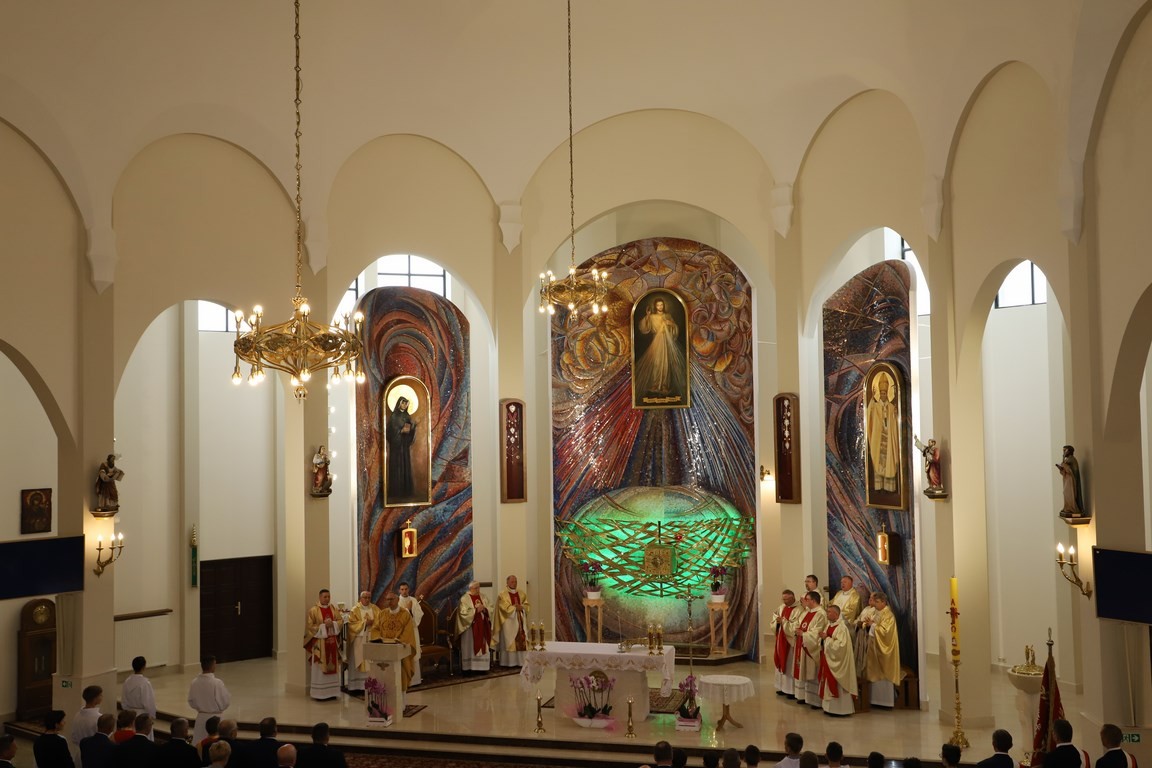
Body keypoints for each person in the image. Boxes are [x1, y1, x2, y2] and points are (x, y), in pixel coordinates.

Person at [634, 295, 687, 403]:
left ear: (664, 305)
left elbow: (675, 329)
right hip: (656, 341)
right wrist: (647, 316)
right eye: (658, 305)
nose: (660, 307)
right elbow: (644, 328)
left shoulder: (668, 316)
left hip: (666, 342)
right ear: (655, 306)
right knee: (657, 363)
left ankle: (664, 385)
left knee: (666, 363)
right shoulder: (652, 316)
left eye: (661, 304)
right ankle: (655, 384)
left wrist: (671, 324)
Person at [786, 590, 829, 707]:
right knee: (803, 670)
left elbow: (818, 631)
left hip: (811, 648)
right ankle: (804, 696)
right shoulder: (806, 612)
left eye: (807, 599)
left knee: (812, 672)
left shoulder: (821, 614)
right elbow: (799, 624)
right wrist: (796, 630)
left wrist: (804, 634)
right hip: (802, 645)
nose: (805, 601)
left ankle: (815, 700)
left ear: (813, 601)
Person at [372, 591, 419, 691]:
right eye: (387, 599)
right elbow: (375, 629)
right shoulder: (382, 614)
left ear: (397, 600)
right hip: (385, 650)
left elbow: (408, 633)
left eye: (392, 599)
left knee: (400, 679)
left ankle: (401, 700)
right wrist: (380, 639)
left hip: (399, 650)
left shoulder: (405, 614)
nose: (389, 601)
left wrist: (398, 641)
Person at [819, 603, 858, 716]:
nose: (827, 614)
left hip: (839, 662)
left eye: (829, 612)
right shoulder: (829, 625)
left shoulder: (841, 628)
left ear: (836, 614)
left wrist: (826, 639)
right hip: (829, 659)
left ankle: (841, 710)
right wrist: (823, 639)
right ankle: (829, 708)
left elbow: (841, 646)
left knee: (839, 684)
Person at [304, 588, 343, 700]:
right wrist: (323, 626)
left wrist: (333, 624)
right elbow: (310, 627)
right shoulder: (313, 610)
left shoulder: (333, 609)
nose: (327, 599)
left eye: (328, 596)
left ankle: (332, 692)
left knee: (333, 666)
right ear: (320, 597)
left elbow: (340, 621)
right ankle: (319, 694)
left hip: (332, 643)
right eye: (325, 597)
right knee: (319, 668)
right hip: (320, 645)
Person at [864, 592, 901, 708]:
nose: (875, 604)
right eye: (874, 601)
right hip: (874, 649)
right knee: (874, 673)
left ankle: (886, 702)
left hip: (884, 650)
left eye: (877, 602)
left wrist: (872, 625)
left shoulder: (888, 615)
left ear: (884, 602)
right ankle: (874, 700)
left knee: (884, 675)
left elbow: (886, 632)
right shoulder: (876, 612)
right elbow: (870, 624)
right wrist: (867, 624)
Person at [867, 372, 899, 493]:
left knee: (889, 462)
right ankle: (879, 487)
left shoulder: (891, 407)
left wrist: (895, 414)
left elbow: (895, 422)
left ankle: (888, 487)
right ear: (879, 394)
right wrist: (872, 398)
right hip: (878, 439)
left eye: (885, 393)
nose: (883, 395)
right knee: (879, 462)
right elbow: (869, 415)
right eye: (881, 393)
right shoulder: (875, 406)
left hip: (888, 438)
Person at [188, 655, 231, 745]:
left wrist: (201, 708)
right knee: (216, 747)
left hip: (201, 718)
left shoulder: (194, 682)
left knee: (200, 744)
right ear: (212, 666)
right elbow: (225, 702)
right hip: (216, 720)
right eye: (215, 664)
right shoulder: (217, 683)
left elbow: (191, 701)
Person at [493, 575, 530, 668]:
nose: (514, 583)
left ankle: (521, 662)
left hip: (520, 620)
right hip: (509, 622)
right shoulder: (502, 594)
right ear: (507, 582)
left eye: (516, 581)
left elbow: (527, 605)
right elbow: (503, 607)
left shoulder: (521, 593)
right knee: (510, 641)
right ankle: (509, 662)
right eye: (512, 581)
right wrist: (514, 608)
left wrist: (522, 607)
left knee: (522, 640)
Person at [456, 581, 493, 672]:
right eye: (475, 588)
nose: (478, 590)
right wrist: (475, 611)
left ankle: (482, 668)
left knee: (484, 645)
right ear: (470, 588)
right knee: (469, 647)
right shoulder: (464, 599)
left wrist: (484, 609)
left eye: (479, 587)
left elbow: (491, 608)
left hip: (483, 626)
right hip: (470, 628)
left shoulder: (484, 597)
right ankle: (469, 668)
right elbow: (463, 613)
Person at [346, 591, 379, 693]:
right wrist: (364, 624)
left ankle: (371, 684)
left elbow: (380, 621)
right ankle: (357, 686)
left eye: (369, 597)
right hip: (359, 640)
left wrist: (373, 623)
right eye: (365, 597)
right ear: (360, 599)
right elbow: (351, 625)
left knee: (371, 662)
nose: (367, 599)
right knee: (359, 659)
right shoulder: (355, 610)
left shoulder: (375, 608)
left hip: (372, 639)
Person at [386, 396, 417, 502]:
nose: (404, 405)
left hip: (404, 446)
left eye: (406, 403)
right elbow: (390, 432)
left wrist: (413, 428)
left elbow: (410, 431)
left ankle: (406, 491)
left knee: (405, 466)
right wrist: (400, 431)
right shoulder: (394, 416)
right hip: (396, 447)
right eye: (403, 403)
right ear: (399, 403)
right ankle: (396, 492)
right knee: (397, 467)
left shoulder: (407, 416)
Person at [773, 589, 801, 697]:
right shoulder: (782, 607)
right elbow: (775, 617)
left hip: (790, 641)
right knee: (780, 661)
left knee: (789, 664)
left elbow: (797, 625)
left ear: (792, 598)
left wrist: (783, 622)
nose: (784, 601)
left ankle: (791, 690)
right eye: (783, 599)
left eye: (786, 599)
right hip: (781, 638)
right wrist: (777, 622)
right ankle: (782, 687)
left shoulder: (799, 609)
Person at [397, 583, 425, 685]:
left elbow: (419, 614)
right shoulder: (397, 602)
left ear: (408, 589)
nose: (404, 591)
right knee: (405, 654)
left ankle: (415, 680)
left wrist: (411, 612)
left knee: (414, 652)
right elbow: (398, 617)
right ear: (399, 590)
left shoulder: (413, 600)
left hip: (413, 630)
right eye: (402, 589)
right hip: (403, 632)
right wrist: (407, 610)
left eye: (406, 589)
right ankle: (405, 680)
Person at [121, 656, 157, 728]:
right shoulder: (145, 683)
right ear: (144, 667)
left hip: (130, 716)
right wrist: (151, 715)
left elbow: (124, 700)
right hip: (142, 717)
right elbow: (149, 702)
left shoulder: (127, 681)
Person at [1056, 445, 1085, 518]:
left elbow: (1069, 469)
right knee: (1065, 493)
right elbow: (1064, 470)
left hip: (1071, 480)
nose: (1063, 452)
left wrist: (1063, 461)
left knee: (1069, 494)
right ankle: (1067, 508)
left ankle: (1072, 508)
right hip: (1067, 479)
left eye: (1065, 451)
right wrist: (1061, 468)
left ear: (1069, 451)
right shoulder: (1067, 459)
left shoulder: (1071, 459)